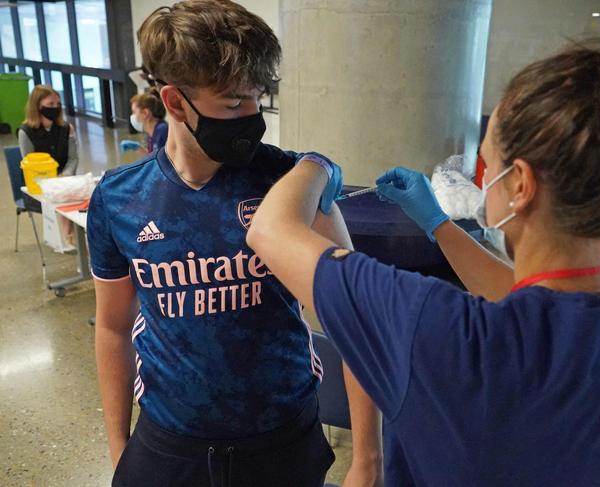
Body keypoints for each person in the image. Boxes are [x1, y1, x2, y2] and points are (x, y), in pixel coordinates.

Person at [247, 39, 600, 486]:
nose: (481, 176)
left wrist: (314, 165)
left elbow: (270, 231)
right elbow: (536, 308)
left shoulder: (430, 327)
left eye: (486, 164)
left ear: (520, 184)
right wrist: (437, 223)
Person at [87, 1, 381, 486]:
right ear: (176, 102)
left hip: (281, 439)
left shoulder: (291, 185)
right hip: (170, 442)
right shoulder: (120, 199)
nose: (251, 117)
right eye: (231, 104)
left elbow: (357, 322)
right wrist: (120, 447)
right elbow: (113, 329)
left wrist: (368, 459)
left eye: (256, 99)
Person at [18, 85, 78, 176]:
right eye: (51, 104)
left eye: (58, 104)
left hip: (65, 180)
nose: (56, 107)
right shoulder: (25, 132)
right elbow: (31, 166)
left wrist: (64, 176)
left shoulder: (67, 128)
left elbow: (73, 159)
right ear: (38, 106)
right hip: (39, 181)